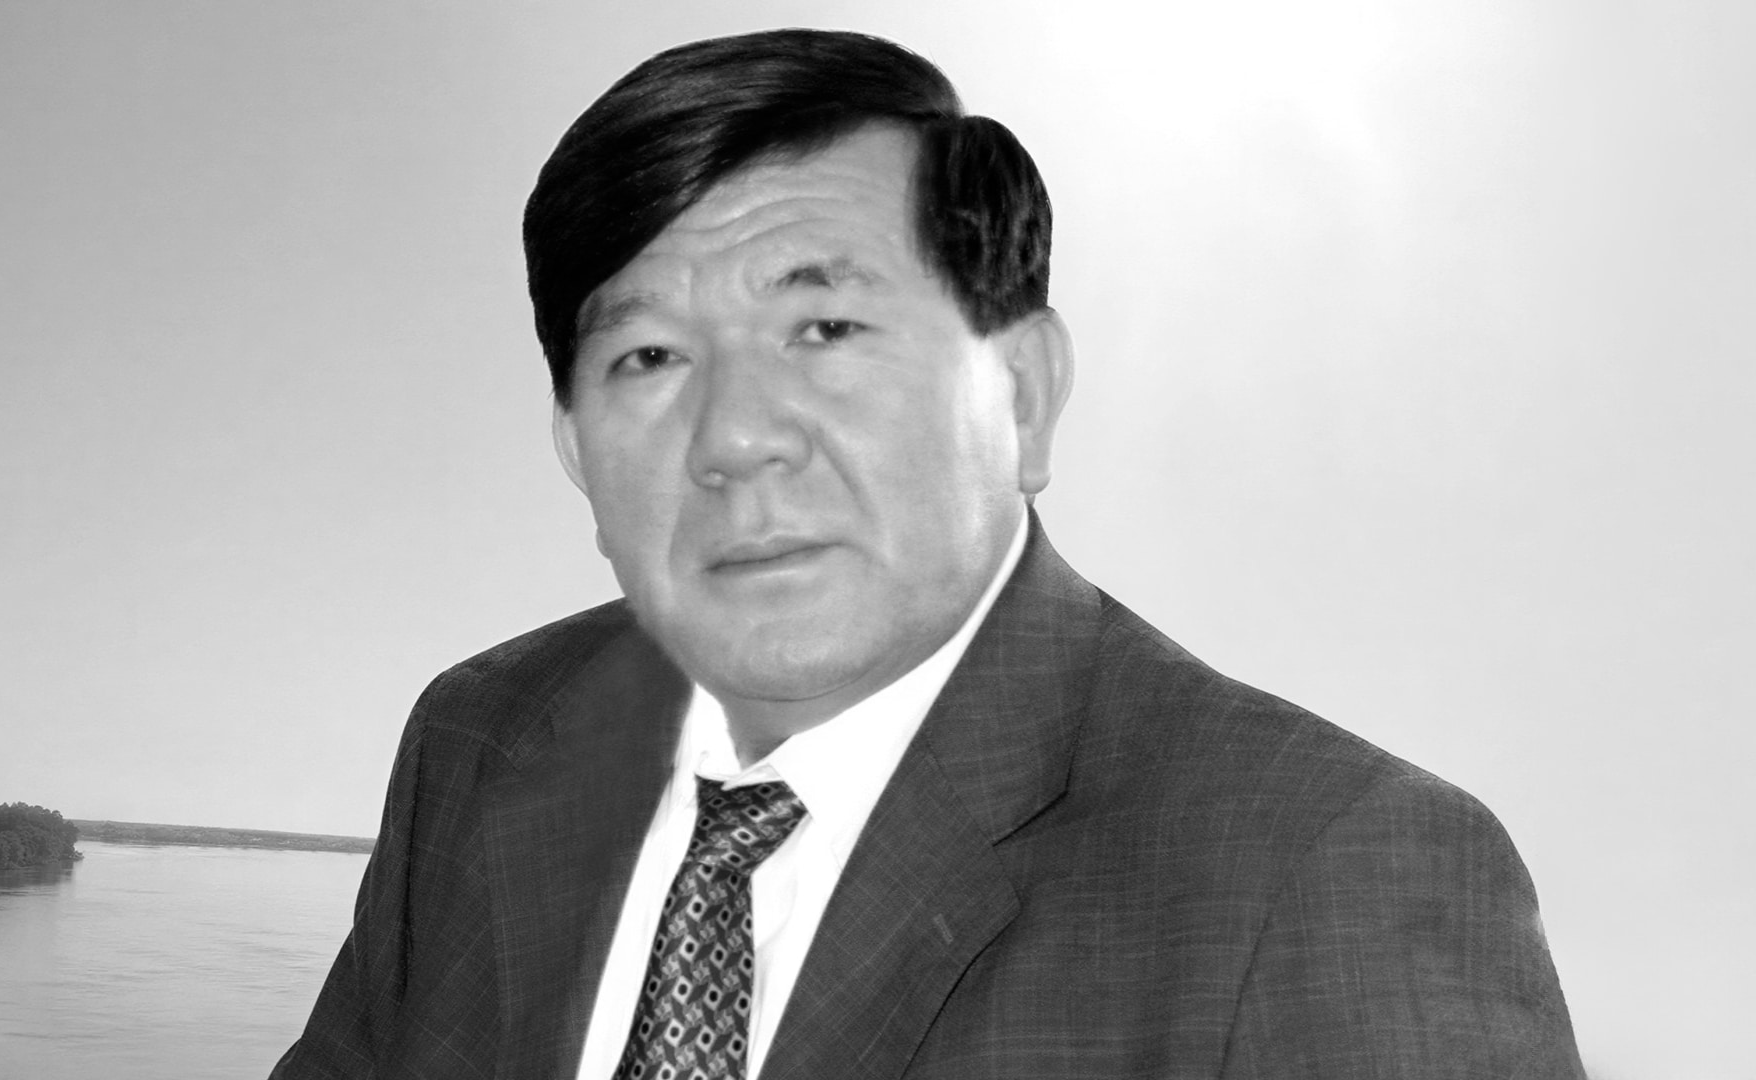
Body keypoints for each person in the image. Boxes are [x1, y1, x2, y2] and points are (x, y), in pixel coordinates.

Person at [274, 28, 1582, 1080]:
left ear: (1020, 393)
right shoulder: (484, 738)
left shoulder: (1334, 873)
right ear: (574, 448)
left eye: (828, 329)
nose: (737, 438)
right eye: (650, 356)